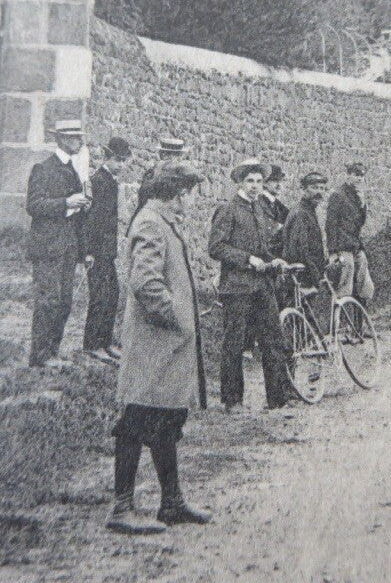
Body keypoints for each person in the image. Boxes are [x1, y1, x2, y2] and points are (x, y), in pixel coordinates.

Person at [107, 161, 211, 534]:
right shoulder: (151, 222)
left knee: (165, 422)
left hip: (166, 347)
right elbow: (146, 284)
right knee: (135, 422)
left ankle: (172, 503)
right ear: (179, 193)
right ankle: (121, 508)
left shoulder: (162, 222)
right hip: (154, 346)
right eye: (190, 194)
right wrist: (178, 318)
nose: (191, 202)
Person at [208, 159, 291, 412]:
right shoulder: (228, 209)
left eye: (259, 181)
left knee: (273, 338)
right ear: (240, 183)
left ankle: (277, 399)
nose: (255, 186)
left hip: (262, 285)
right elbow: (216, 247)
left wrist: (272, 259)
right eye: (250, 181)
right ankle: (232, 401)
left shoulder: (260, 210)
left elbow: (262, 248)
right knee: (235, 342)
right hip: (237, 287)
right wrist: (247, 260)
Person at [25, 119, 91, 368]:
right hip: (48, 247)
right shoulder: (43, 169)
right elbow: (34, 206)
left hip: (68, 247)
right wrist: (66, 203)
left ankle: (53, 351)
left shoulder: (74, 169)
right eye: (75, 137)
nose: (80, 142)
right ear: (61, 139)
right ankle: (39, 355)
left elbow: (76, 215)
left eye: (80, 137)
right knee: (48, 300)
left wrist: (83, 249)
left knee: (64, 301)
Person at [81, 136, 132, 365]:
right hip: (97, 250)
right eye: (117, 160)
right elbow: (93, 220)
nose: (121, 165)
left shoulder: (111, 181)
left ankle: (106, 341)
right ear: (107, 158)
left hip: (107, 250)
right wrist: (89, 252)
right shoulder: (100, 181)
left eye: (124, 161)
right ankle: (93, 344)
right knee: (99, 297)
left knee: (112, 294)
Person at [325, 162, 375, 305]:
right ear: (348, 175)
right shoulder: (338, 195)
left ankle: (362, 307)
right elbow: (330, 224)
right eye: (356, 175)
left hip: (354, 244)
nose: (359, 179)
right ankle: (341, 306)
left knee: (363, 268)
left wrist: (363, 205)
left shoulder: (358, 196)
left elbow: (360, 223)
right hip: (342, 245)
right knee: (347, 268)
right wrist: (333, 251)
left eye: (362, 176)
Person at [282, 171, 329, 290]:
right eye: (314, 188)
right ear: (304, 189)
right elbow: (301, 250)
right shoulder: (301, 213)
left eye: (322, 188)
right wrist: (316, 278)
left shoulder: (309, 211)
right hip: (302, 277)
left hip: (307, 274)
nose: (319, 192)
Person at [134, 135, 190, 218]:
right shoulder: (153, 173)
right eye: (176, 155)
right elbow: (144, 196)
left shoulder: (179, 176)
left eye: (178, 155)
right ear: (165, 155)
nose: (178, 159)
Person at [257, 164, 289, 257]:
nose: (279, 185)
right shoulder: (259, 202)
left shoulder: (277, 204)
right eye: (275, 181)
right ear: (264, 183)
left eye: (280, 181)